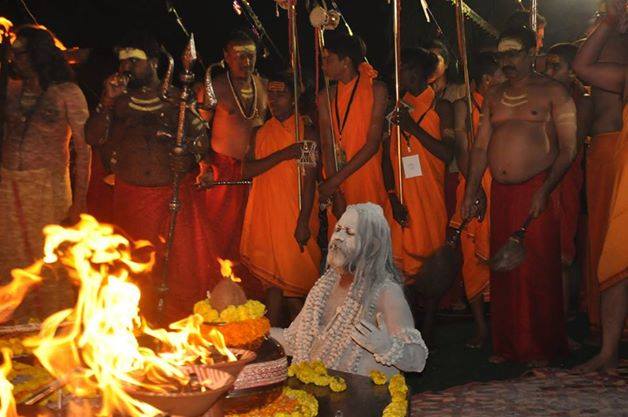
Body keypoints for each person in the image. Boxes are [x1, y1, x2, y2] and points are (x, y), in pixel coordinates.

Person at [461, 26, 577, 365]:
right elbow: (480, 147)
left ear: (531, 53)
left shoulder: (553, 92)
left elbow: (568, 148)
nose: (506, 61)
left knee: (538, 268)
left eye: (513, 54)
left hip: (537, 189)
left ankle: (542, 346)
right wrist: (471, 190)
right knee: (505, 267)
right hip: (501, 193)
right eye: (502, 56)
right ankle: (508, 345)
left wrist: (546, 188)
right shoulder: (494, 95)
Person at [85, 33, 217, 324]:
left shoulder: (176, 99)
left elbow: (200, 139)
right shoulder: (118, 101)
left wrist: (190, 160)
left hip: (172, 197)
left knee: (179, 271)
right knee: (133, 269)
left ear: (154, 63)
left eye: (134, 61)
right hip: (131, 198)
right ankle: (136, 327)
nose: (126, 68)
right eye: (123, 62)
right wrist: (106, 101)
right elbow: (92, 137)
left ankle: (177, 328)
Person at [271, 203, 428, 377]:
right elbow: (296, 341)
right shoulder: (324, 287)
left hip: (364, 392)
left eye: (349, 232)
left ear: (373, 244)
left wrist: (385, 346)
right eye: (338, 229)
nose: (338, 237)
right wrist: (254, 330)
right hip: (320, 387)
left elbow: (417, 360)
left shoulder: (386, 291)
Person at [0, 25, 90, 319]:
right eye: (13, 54)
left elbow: (84, 150)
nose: (14, 60)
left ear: (38, 54)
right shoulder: (11, 88)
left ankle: (51, 324)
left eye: (20, 54)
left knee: (48, 260)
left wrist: (80, 201)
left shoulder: (68, 93)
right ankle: (11, 324)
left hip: (47, 188)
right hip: (8, 187)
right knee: (9, 259)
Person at [239, 72, 321, 326]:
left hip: (294, 216)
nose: (274, 100)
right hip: (267, 216)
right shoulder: (260, 132)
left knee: (296, 290)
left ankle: (305, 339)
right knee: (273, 285)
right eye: (271, 94)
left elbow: (309, 181)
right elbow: (247, 170)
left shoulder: (307, 133)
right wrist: (285, 153)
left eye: (281, 94)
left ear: (294, 99)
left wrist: (303, 221)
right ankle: (272, 336)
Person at [571, 0, 627, 372]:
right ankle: (608, 351)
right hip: (622, 163)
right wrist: (609, 22)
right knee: (617, 255)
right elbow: (582, 68)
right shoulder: (623, 71)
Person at [383, 47, 452, 347]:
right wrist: (392, 197)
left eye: (410, 68)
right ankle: (409, 330)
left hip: (430, 196)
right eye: (401, 68)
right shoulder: (398, 107)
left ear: (425, 72)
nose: (405, 74)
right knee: (402, 268)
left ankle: (430, 327)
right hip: (402, 198)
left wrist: (413, 129)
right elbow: (386, 158)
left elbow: (447, 153)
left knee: (431, 261)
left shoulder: (441, 106)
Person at [196, 30, 268, 284]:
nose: (245, 62)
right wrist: (205, 165)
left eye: (250, 56)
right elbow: (198, 129)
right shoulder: (214, 87)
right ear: (226, 57)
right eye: (239, 56)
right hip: (222, 173)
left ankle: (250, 287)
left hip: (256, 173)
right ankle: (216, 285)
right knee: (221, 234)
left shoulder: (264, 85)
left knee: (254, 234)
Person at [451, 52, 505, 349]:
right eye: (501, 76)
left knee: (499, 254)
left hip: (500, 185)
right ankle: (481, 328)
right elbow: (462, 150)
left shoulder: (505, 102)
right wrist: (476, 188)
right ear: (486, 80)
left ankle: (502, 325)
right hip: (472, 184)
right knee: (471, 258)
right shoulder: (463, 105)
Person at [317, 32, 389, 222]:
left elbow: (372, 145)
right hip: (337, 182)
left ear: (346, 62)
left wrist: (333, 182)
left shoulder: (377, 89)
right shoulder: (325, 96)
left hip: (366, 176)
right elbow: (327, 145)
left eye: (328, 60)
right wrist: (336, 192)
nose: (323, 65)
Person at [544, 43, 593, 322]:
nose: (549, 72)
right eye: (548, 66)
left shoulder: (581, 100)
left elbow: (572, 144)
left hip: (565, 179)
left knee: (562, 253)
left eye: (556, 67)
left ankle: (560, 322)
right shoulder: (542, 95)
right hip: (542, 178)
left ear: (573, 71)